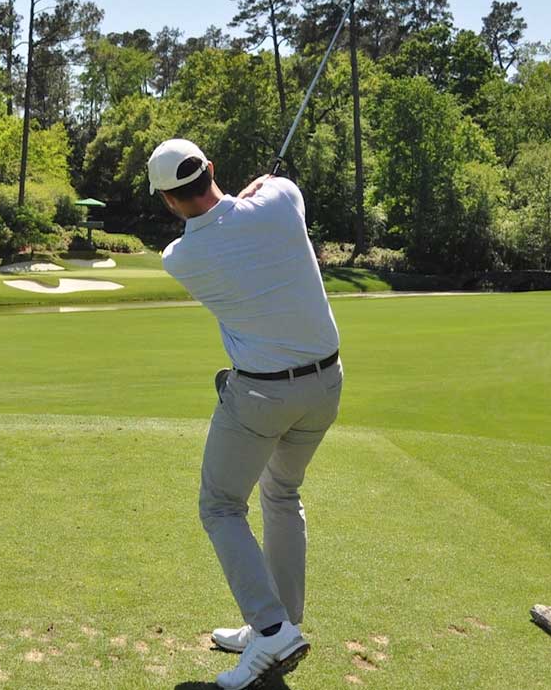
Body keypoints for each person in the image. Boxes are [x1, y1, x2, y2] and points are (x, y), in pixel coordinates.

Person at [148, 138, 343, 690]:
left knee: (220, 505)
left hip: (260, 396)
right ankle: (279, 624)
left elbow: (218, 219)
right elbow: (269, 190)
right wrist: (255, 187)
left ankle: (272, 627)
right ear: (211, 168)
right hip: (327, 384)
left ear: (167, 201)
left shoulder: (181, 258)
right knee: (282, 494)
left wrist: (242, 196)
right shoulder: (282, 200)